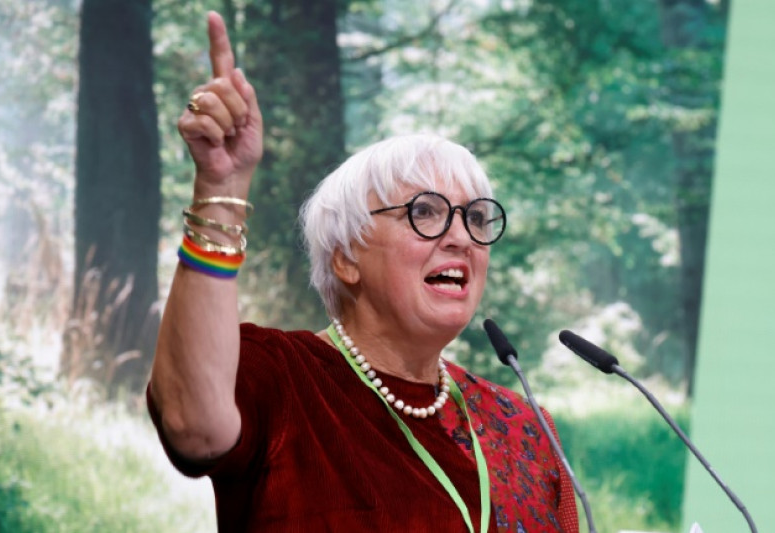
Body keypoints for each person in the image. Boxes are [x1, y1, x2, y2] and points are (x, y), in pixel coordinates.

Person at [147, 11, 579, 532]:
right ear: (346, 257)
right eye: (424, 212)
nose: (462, 238)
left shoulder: (526, 427)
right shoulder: (281, 379)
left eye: (476, 218)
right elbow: (192, 427)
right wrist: (222, 188)